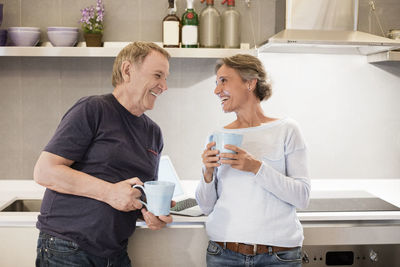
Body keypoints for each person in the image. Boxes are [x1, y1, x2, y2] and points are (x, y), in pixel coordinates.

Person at [33, 41, 172, 267]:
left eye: (166, 78)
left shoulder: (154, 133)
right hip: (67, 248)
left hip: (114, 253)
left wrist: (150, 212)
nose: (164, 86)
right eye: (158, 75)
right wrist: (109, 192)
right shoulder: (93, 109)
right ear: (127, 71)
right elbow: (44, 171)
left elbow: (132, 194)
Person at [196, 54, 310, 267]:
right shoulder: (216, 135)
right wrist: (208, 173)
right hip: (223, 254)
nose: (217, 90)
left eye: (224, 81)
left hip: (278, 257)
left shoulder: (287, 130)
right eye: (216, 83)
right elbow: (206, 206)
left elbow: (302, 197)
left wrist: (255, 167)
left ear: (250, 83)